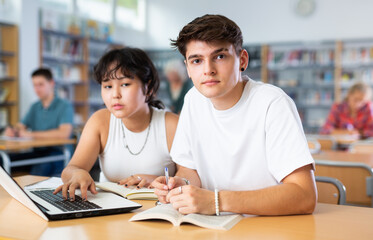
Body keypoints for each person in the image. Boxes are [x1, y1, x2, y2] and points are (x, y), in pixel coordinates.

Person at [152, 14, 316, 216]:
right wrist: (181, 184)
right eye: (196, 60)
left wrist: (216, 201)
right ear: (187, 68)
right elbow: (189, 170)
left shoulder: (272, 103)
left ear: (242, 60)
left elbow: (304, 195)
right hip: (213, 225)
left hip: (267, 225)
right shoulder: (193, 100)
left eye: (220, 57)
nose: (208, 70)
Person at [54, 47, 178, 201]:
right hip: (109, 211)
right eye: (107, 86)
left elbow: (190, 177)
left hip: (158, 210)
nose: (115, 95)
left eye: (125, 84)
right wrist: (78, 173)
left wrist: (157, 180)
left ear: (148, 87)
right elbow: (70, 169)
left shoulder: (171, 124)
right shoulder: (100, 121)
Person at [3, 68, 74, 176]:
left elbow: (64, 133)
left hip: (58, 154)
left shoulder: (64, 106)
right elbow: (21, 126)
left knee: (40, 168)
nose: (37, 89)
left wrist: (30, 134)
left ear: (51, 83)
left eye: (40, 84)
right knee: (2, 160)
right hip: (38, 153)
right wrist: (14, 131)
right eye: (34, 85)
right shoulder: (35, 107)